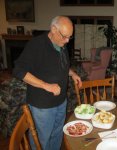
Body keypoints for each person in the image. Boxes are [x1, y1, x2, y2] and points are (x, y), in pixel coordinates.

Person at [13, 16, 82, 150]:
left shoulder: (61, 44)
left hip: (61, 101)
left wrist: (72, 74)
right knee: (42, 140)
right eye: (65, 36)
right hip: (42, 105)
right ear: (53, 29)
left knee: (57, 134)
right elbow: (18, 70)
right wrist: (46, 85)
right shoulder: (36, 45)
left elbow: (62, 66)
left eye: (70, 37)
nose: (67, 40)